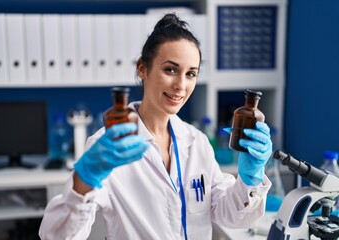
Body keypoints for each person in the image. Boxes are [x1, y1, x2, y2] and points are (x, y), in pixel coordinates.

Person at [39, 13, 273, 240]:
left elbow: (228, 214)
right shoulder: (109, 145)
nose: (181, 85)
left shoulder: (197, 142)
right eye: (170, 70)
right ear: (143, 68)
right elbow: (57, 236)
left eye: (190, 74)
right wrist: (84, 181)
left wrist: (250, 179)